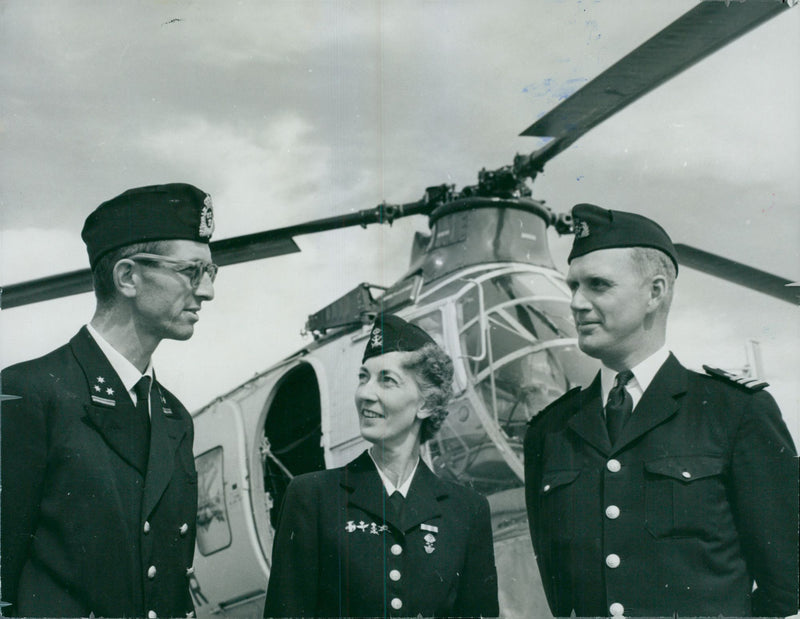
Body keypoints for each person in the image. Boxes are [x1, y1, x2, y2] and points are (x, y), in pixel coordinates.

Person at [523, 203, 799, 618]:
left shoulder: (735, 412)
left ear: (655, 292)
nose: (577, 303)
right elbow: (560, 594)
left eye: (598, 285)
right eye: (573, 286)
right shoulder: (551, 430)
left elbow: (788, 582)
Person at [1, 183, 217, 618]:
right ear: (127, 277)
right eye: (192, 271)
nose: (208, 291)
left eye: (212, 272)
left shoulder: (174, 417)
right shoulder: (31, 392)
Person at [263, 314, 499, 618]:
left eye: (387, 380)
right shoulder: (312, 497)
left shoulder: (467, 510)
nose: (365, 393)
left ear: (426, 404)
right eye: (363, 377)